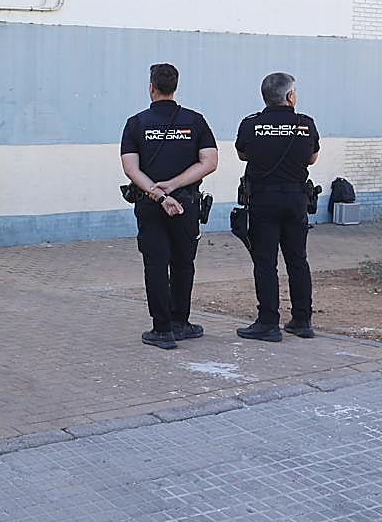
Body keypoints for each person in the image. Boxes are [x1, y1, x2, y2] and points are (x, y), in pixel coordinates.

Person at [120, 63, 219, 349]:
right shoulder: (195, 121)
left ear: (151, 88)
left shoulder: (136, 123)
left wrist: (158, 194)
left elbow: (130, 169)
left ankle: (162, 330)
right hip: (186, 203)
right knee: (183, 263)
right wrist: (174, 187)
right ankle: (181, 322)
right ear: (175, 87)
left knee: (155, 264)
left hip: (151, 204)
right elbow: (209, 162)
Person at [234, 72, 320, 341]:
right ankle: (302, 321)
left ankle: (268, 322)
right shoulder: (305, 123)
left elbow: (242, 153)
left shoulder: (251, 124)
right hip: (296, 200)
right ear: (290, 96)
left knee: (265, 262)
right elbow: (312, 158)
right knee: (297, 260)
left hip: (263, 200)